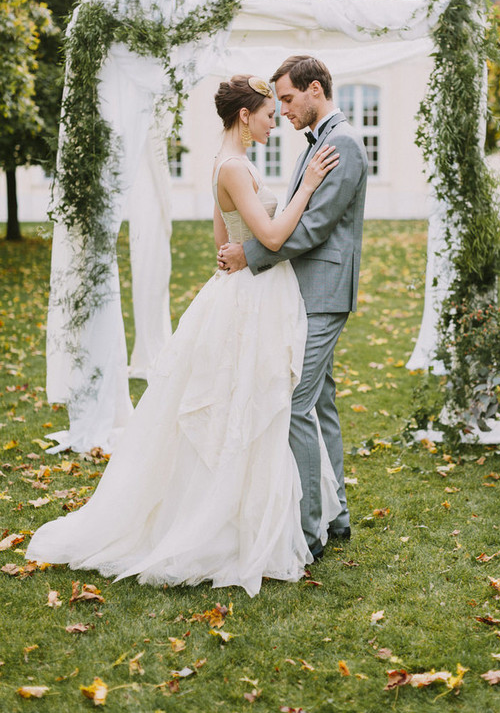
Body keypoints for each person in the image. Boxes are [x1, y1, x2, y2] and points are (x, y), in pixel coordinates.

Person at [26, 74, 341, 597]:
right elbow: (269, 236)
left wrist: (241, 247)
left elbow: (223, 240)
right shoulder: (235, 167)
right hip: (254, 295)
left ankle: (254, 512)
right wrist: (306, 187)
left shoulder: (227, 162)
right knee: (249, 403)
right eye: (269, 116)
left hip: (247, 288)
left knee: (253, 401)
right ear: (245, 116)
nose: (274, 124)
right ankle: (228, 521)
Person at [218, 56, 368, 561]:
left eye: (287, 98)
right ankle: (336, 517)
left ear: (315, 89)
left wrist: (250, 255)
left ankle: (308, 531)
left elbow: (314, 228)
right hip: (305, 289)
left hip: (324, 291)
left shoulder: (343, 143)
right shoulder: (318, 141)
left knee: (296, 403)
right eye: (277, 101)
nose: (282, 110)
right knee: (320, 401)